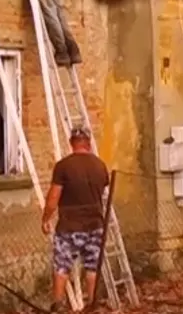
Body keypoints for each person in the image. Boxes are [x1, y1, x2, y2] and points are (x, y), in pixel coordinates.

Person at [42, 127, 111, 312]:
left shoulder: (63, 166)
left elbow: (53, 197)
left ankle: (57, 305)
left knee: (62, 266)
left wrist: (46, 218)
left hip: (68, 226)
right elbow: (103, 189)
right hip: (95, 225)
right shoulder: (100, 165)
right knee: (92, 266)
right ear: (88, 143)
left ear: (71, 143)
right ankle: (92, 304)